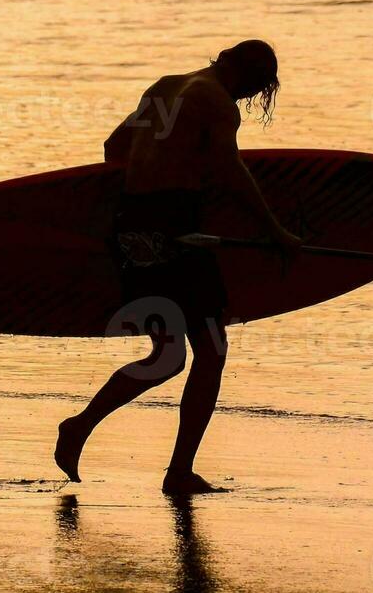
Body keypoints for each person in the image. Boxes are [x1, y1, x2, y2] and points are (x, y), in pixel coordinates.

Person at [55, 40, 301, 495]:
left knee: (167, 355)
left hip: (134, 226)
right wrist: (275, 230)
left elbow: (115, 146)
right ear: (249, 78)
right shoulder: (219, 103)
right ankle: (178, 472)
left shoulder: (163, 87)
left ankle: (80, 426)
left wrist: (130, 208)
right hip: (178, 229)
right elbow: (231, 170)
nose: (251, 96)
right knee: (210, 351)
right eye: (257, 86)